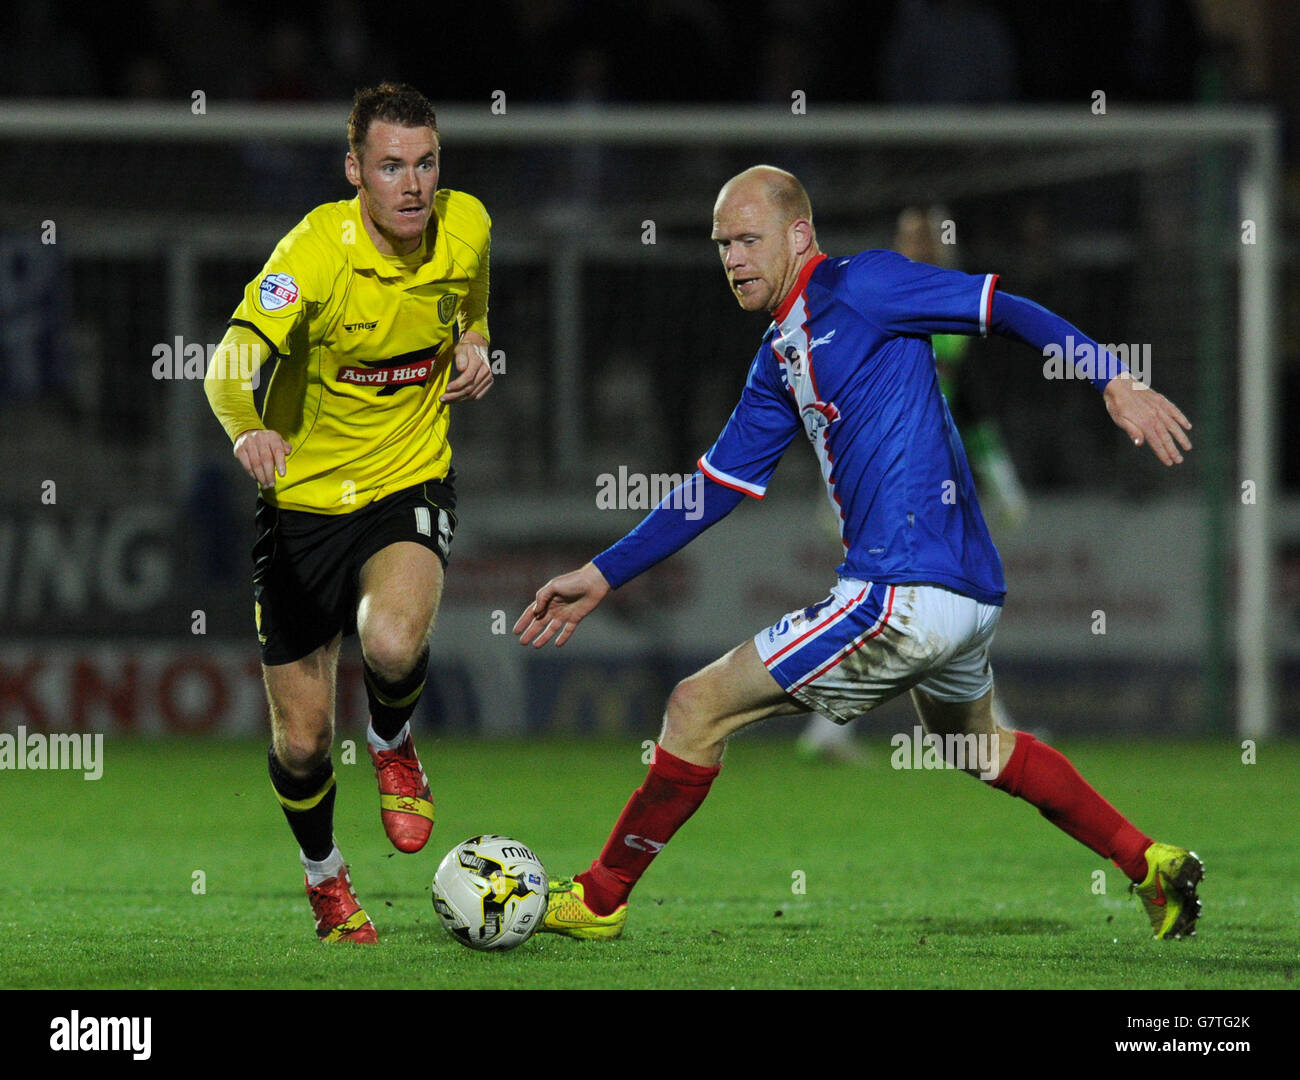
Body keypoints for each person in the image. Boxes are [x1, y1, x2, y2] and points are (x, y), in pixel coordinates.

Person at [514, 165, 1201, 942]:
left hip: (904, 593)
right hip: (966, 599)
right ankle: (1152, 865)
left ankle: (600, 899)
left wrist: (1113, 377)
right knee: (976, 744)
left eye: (748, 240)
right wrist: (603, 573)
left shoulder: (864, 285)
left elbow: (1001, 307)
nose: (733, 259)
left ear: (799, 234)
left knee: (693, 707)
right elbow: (714, 487)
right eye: (721, 245)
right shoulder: (779, 356)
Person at [204, 82, 494, 944]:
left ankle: (393, 740)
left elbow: (469, 301)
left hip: (408, 480)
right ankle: (326, 879)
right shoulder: (315, 256)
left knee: (394, 642)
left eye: (427, 164)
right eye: (391, 166)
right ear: (355, 173)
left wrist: (476, 341)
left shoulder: (468, 225)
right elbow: (229, 361)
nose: (413, 185)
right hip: (301, 506)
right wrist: (248, 426)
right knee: (300, 741)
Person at [796, 204, 1027, 762]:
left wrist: (999, 476)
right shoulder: (888, 303)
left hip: (922, 478)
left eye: (927, 237)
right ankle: (986, 730)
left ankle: (831, 732)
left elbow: (967, 404)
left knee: (924, 604)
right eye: (914, 236)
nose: (922, 245)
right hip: (892, 480)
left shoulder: (931, 304)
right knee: (920, 601)